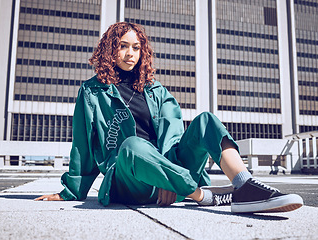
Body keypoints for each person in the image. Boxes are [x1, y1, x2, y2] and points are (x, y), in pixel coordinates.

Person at [35, 22, 303, 213]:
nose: (130, 54)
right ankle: (201, 196)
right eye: (123, 46)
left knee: (206, 120)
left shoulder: (156, 89)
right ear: (110, 49)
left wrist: (167, 173)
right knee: (132, 145)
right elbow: (82, 145)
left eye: (136, 48)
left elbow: (174, 133)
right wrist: (70, 192)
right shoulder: (92, 91)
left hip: (167, 172)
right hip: (128, 179)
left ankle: (246, 187)